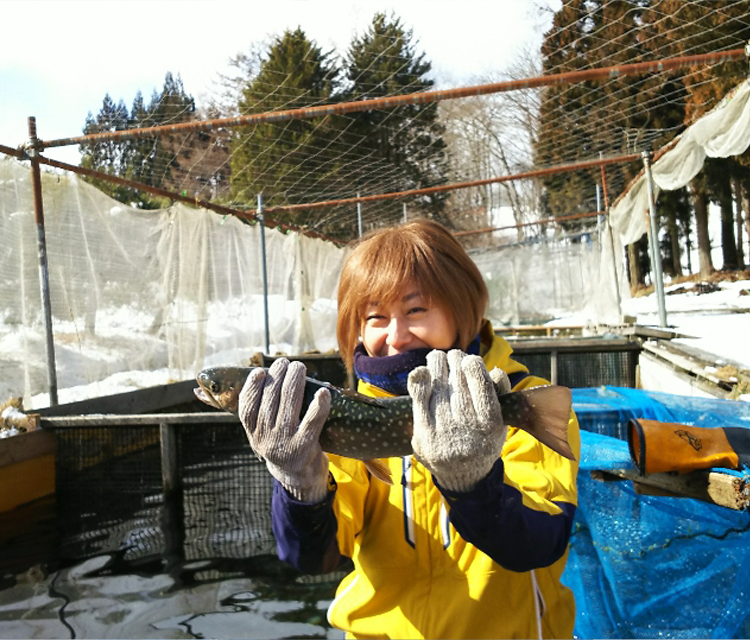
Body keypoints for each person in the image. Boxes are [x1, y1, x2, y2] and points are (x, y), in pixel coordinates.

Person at [238, 219, 581, 639]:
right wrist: (298, 485)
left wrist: (473, 483)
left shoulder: (521, 402)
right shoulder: (334, 417)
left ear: (462, 309)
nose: (396, 336)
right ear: (355, 329)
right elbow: (311, 559)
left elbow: (541, 543)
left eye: (416, 310)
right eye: (376, 316)